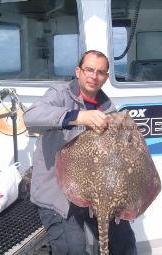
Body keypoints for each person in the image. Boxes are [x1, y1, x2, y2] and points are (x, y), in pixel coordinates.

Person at [24, 50, 137, 255]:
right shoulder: (59, 94)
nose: (94, 76)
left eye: (100, 72)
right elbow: (31, 117)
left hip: (94, 194)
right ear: (78, 71)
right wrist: (78, 117)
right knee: (72, 248)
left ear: (106, 77)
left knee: (124, 243)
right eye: (89, 70)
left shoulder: (108, 108)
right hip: (57, 192)